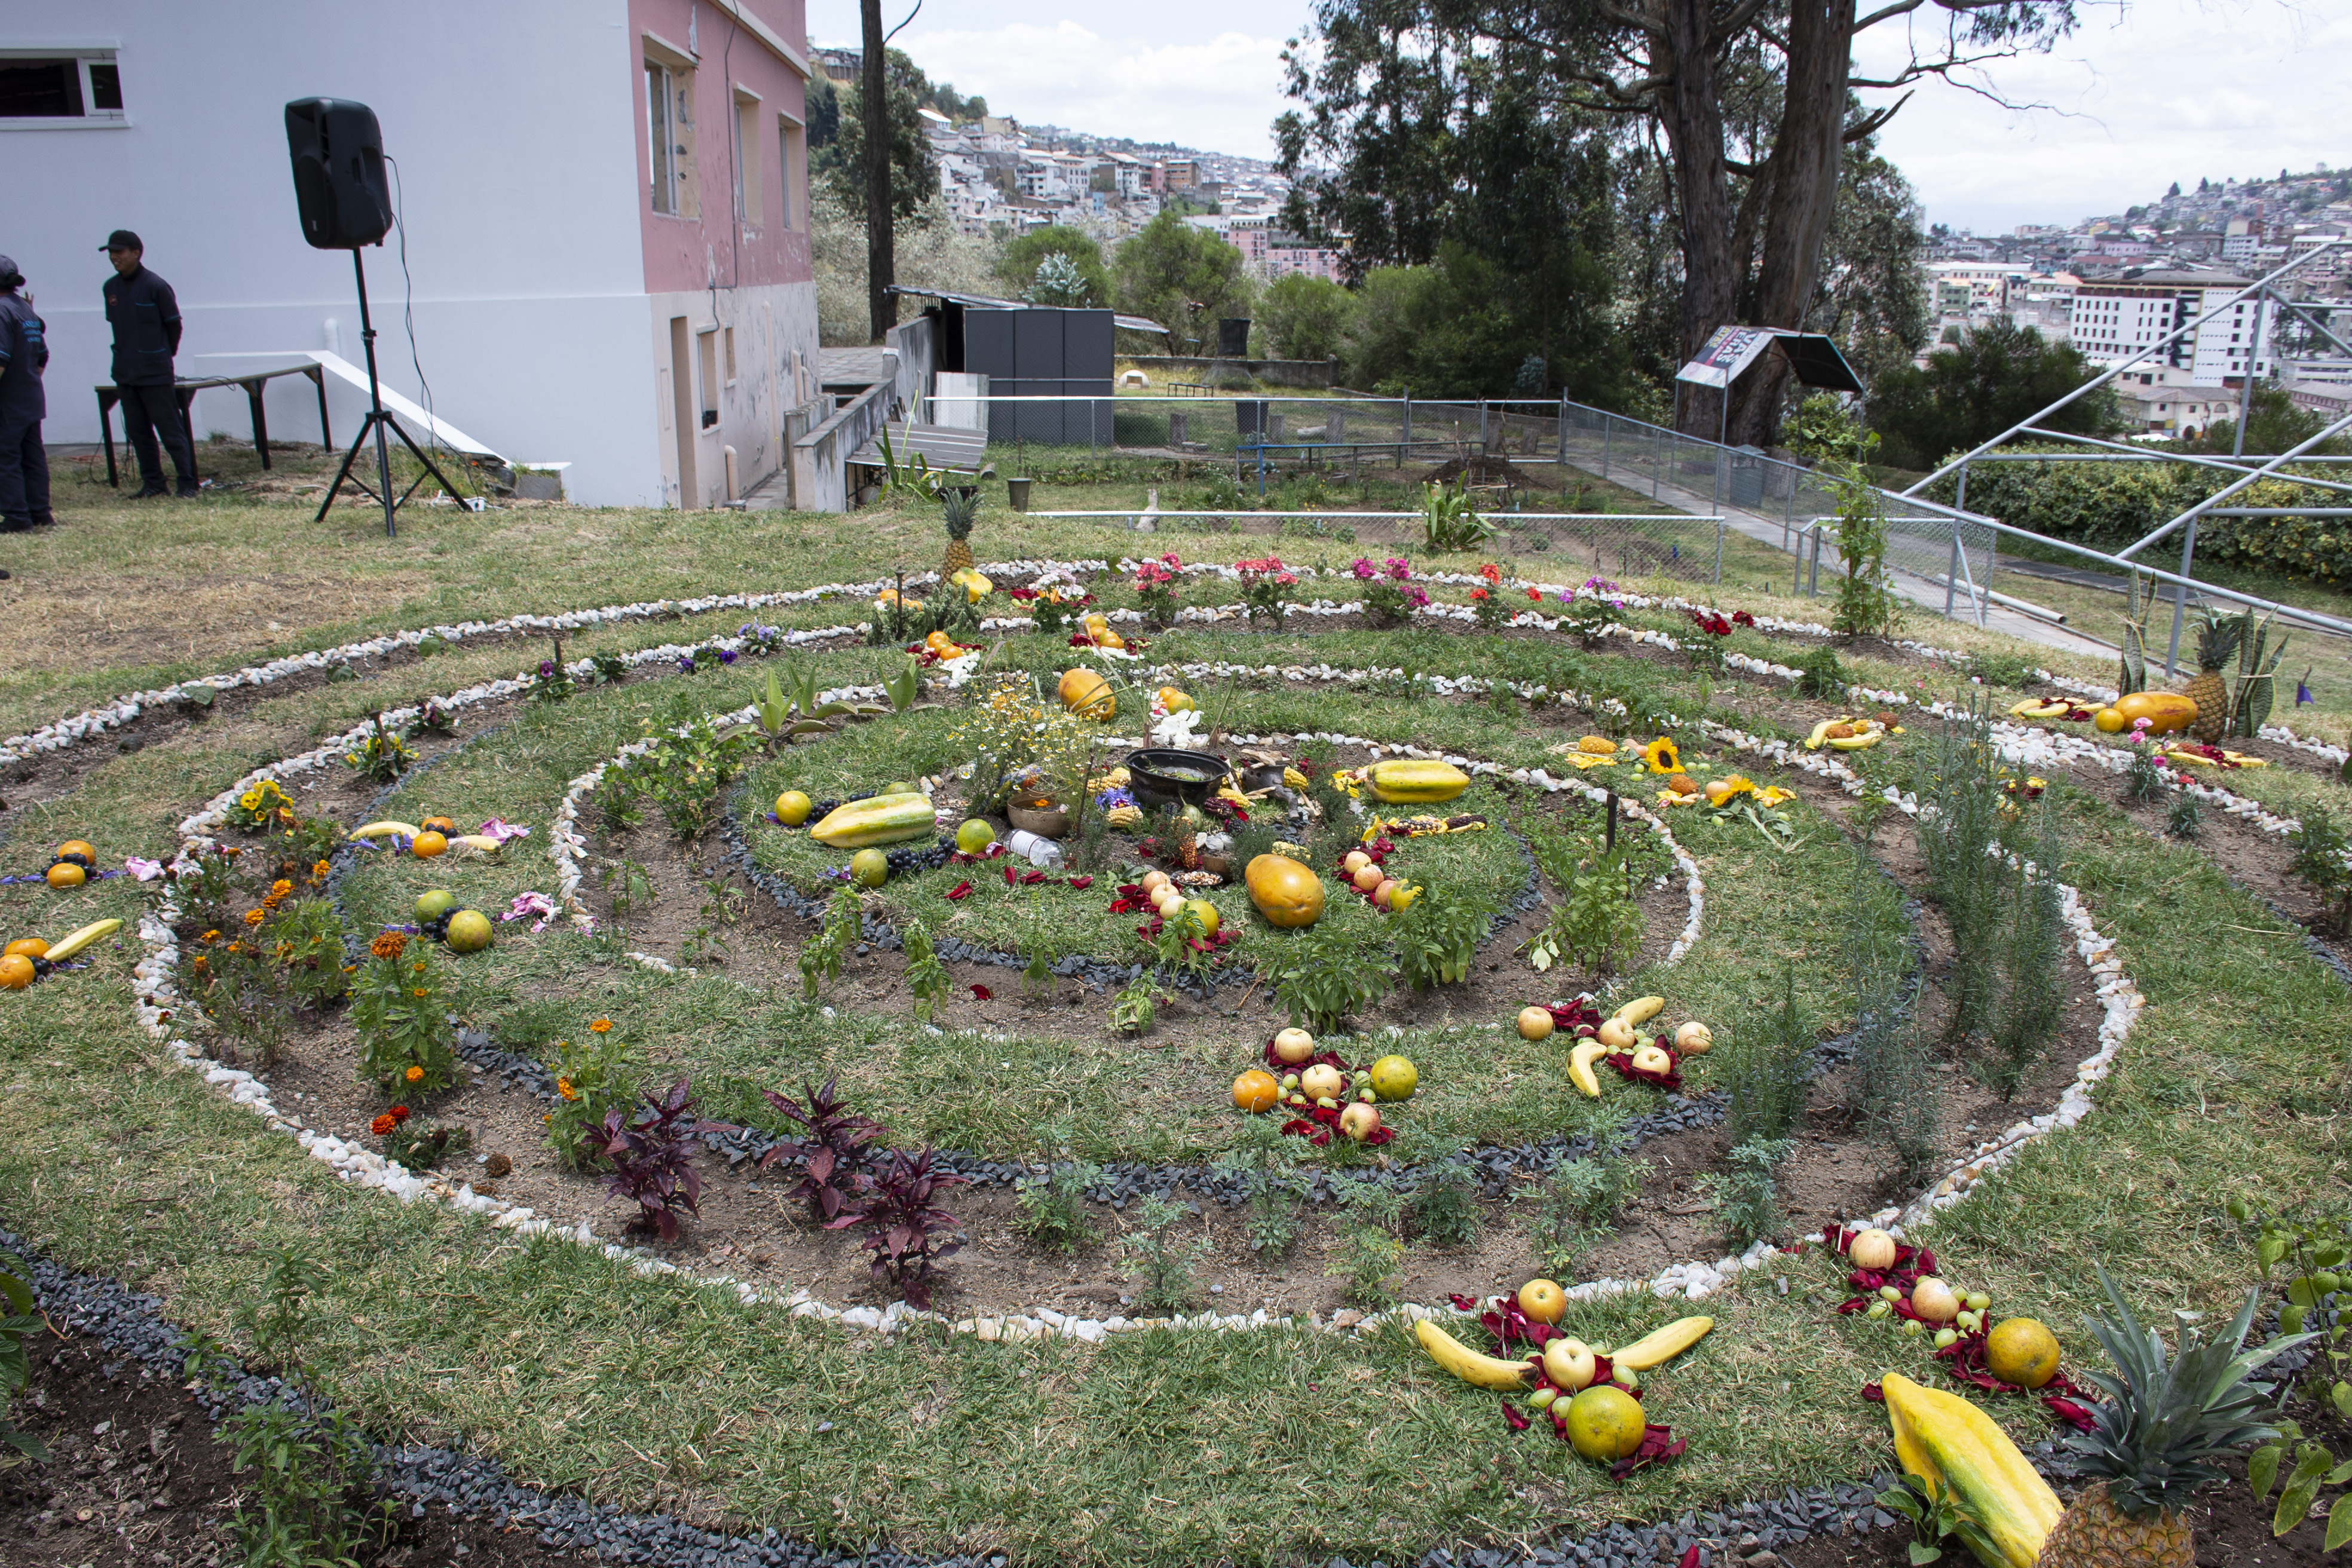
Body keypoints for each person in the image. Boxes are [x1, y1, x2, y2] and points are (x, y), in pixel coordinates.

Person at [101, 228, 197, 499]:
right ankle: (154, 482)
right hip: (125, 372)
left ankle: (188, 482)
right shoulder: (111, 288)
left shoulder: (156, 286)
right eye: (110, 252)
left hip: (154, 372)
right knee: (138, 431)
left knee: (170, 430)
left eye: (119, 252)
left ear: (136, 253)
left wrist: (164, 356)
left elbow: (174, 326)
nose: (113, 257)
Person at [0, 254, 49, 533]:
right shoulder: (26, 310)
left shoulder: (1, 311)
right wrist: (28, 377)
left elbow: (1, 359)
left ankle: (17, 517)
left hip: (9, 402)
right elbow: (43, 355)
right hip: (31, 396)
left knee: (6, 457)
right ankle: (40, 512)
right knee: (33, 457)